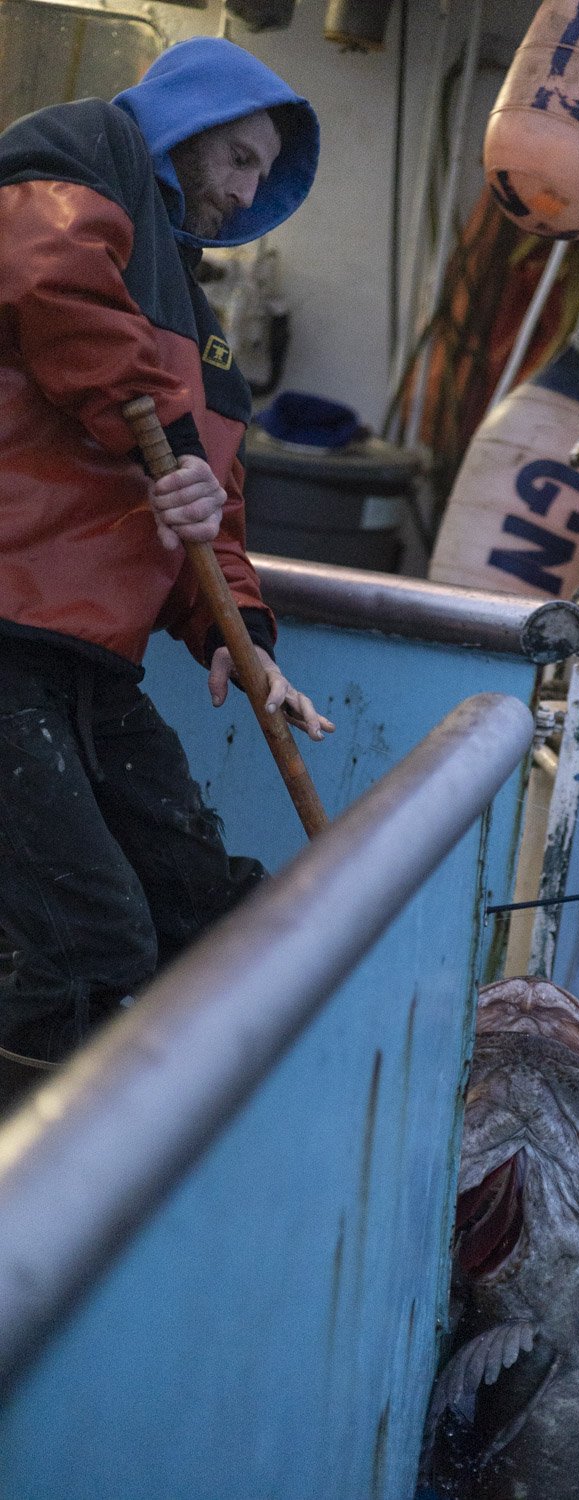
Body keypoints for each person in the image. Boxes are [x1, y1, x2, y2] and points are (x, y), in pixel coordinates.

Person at [0, 38, 333, 1071]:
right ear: (184, 123)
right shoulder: (81, 151)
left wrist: (245, 637)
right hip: (7, 634)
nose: (246, 189)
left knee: (211, 911)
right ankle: (41, 1202)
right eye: (237, 158)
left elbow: (212, 518)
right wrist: (170, 450)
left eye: (261, 174)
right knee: (89, 945)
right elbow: (54, 287)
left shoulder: (206, 335)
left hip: (87, 665)